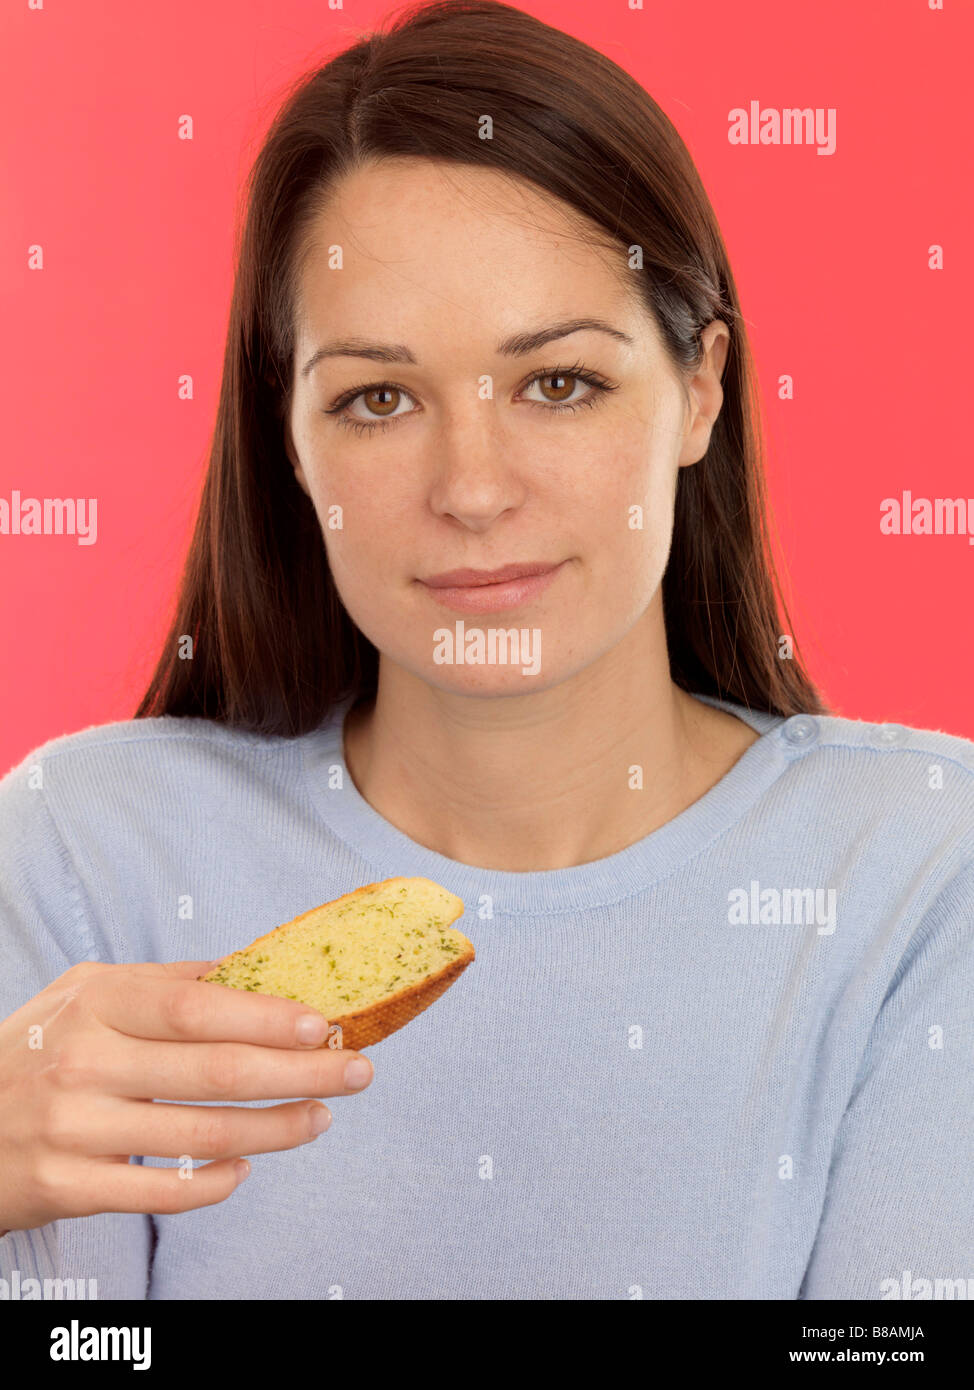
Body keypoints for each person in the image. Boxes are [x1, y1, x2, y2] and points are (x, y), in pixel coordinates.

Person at [1, 0, 971, 1301]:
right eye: (377, 397)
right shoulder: (80, 852)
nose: (470, 486)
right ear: (290, 438)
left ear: (699, 391)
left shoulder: (921, 865)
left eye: (558, 381)